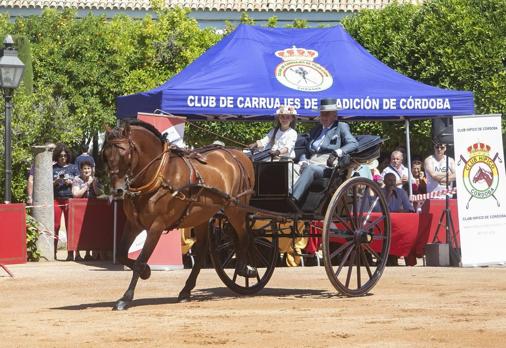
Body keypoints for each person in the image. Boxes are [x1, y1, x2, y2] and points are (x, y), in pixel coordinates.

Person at [292, 98, 358, 202]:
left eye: (327, 114)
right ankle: (282, 197)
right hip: (310, 161)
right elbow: (306, 150)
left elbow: (353, 143)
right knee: (288, 167)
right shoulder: (316, 129)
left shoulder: (341, 127)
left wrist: (338, 152)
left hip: (327, 165)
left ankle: (293, 199)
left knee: (311, 169)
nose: (323, 117)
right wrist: (303, 160)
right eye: (322, 114)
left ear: (335, 115)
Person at [53, 143, 80, 261]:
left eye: (64, 155)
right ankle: (53, 253)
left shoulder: (74, 168)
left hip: (70, 199)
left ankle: (71, 253)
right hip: (56, 199)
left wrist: (72, 182)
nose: (62, 157)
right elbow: (45, 185)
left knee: (71, 226)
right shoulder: (53, 168)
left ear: (68, 156)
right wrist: (55, 182)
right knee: (55, 226)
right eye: (60, 155)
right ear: (57, 156)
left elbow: (80, 182)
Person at [72, 160, 103, 261]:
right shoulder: (77, 179)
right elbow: (76, 194)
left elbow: (99, 193)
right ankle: (77, 254)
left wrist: (93, 184)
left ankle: (88, 253)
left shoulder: (95, 179)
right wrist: (87, 185)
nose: (87, 170)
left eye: (88, 168)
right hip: (78, 208)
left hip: (92, 208)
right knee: (78, 230)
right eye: (84, 168)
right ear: (81, 170)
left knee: (90, 230)